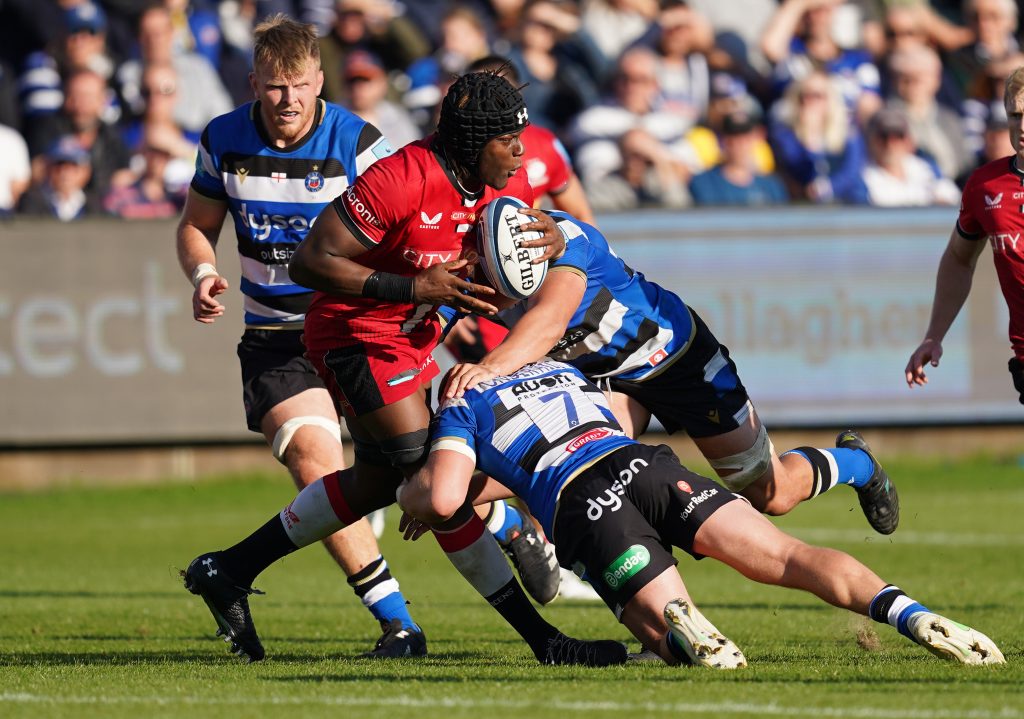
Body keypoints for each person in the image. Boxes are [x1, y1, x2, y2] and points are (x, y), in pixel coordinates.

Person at [182, 68, 627, 668]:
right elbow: (313, 261)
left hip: (405, 340)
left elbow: (490, 284)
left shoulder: (497, 197)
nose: (523, 153)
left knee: (379, 479)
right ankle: (541, 638)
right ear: (475, 143)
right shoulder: (402, 177)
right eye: (510, 141)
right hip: (352, 334)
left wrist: (552, 242)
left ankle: (227, 569)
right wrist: (414, 286)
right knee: (430, 477)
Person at [399, 359, 1004, 667]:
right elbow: (618, 416)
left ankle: (681, 630)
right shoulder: (561, 366)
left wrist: (413, 497)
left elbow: (447, 495)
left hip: (583, 504)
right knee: (786, 555)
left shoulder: (460, 395)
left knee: (654, 633)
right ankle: (914, 616)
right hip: (644, 465)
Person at [175, 14, 427, 660]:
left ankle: (512, 528)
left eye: (299, 85)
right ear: (255, 82)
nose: (287, 100)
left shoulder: (360, 143)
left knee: (420, 473)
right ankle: (397, 621)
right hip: (278, 342)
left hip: (359, 333)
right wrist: (203, 270)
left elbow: (405, 231)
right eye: (274, 86)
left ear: (320, 80)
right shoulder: (223, 139)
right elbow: (197, 223)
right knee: (315, 461)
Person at [441, 210, 900, 535]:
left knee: (772, 495)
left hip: (677, 359)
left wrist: (485, 369)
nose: (483, 295)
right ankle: (656, 619)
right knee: (581, 469)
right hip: (607, 381)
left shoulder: (563, 241)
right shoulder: (474, 273)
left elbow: (548, 323)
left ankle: (859, 464)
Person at [906, 65, 1024, 405]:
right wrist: (934, 335)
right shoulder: (985, 186)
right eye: (1015, 115)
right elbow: (959, 258)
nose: (1022, 126)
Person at [860, 107, 960, 207]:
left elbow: (953, 200)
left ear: (909, 141)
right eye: (883, 137)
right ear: (871, 142)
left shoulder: (927, 169)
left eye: (898, 136)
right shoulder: (863, 180)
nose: (890, 144)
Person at [689, 109, 788, 206]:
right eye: (734, 138)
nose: (741, 144)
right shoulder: (704, 183)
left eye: (746, 138)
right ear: (723, 141)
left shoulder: (771, 187)